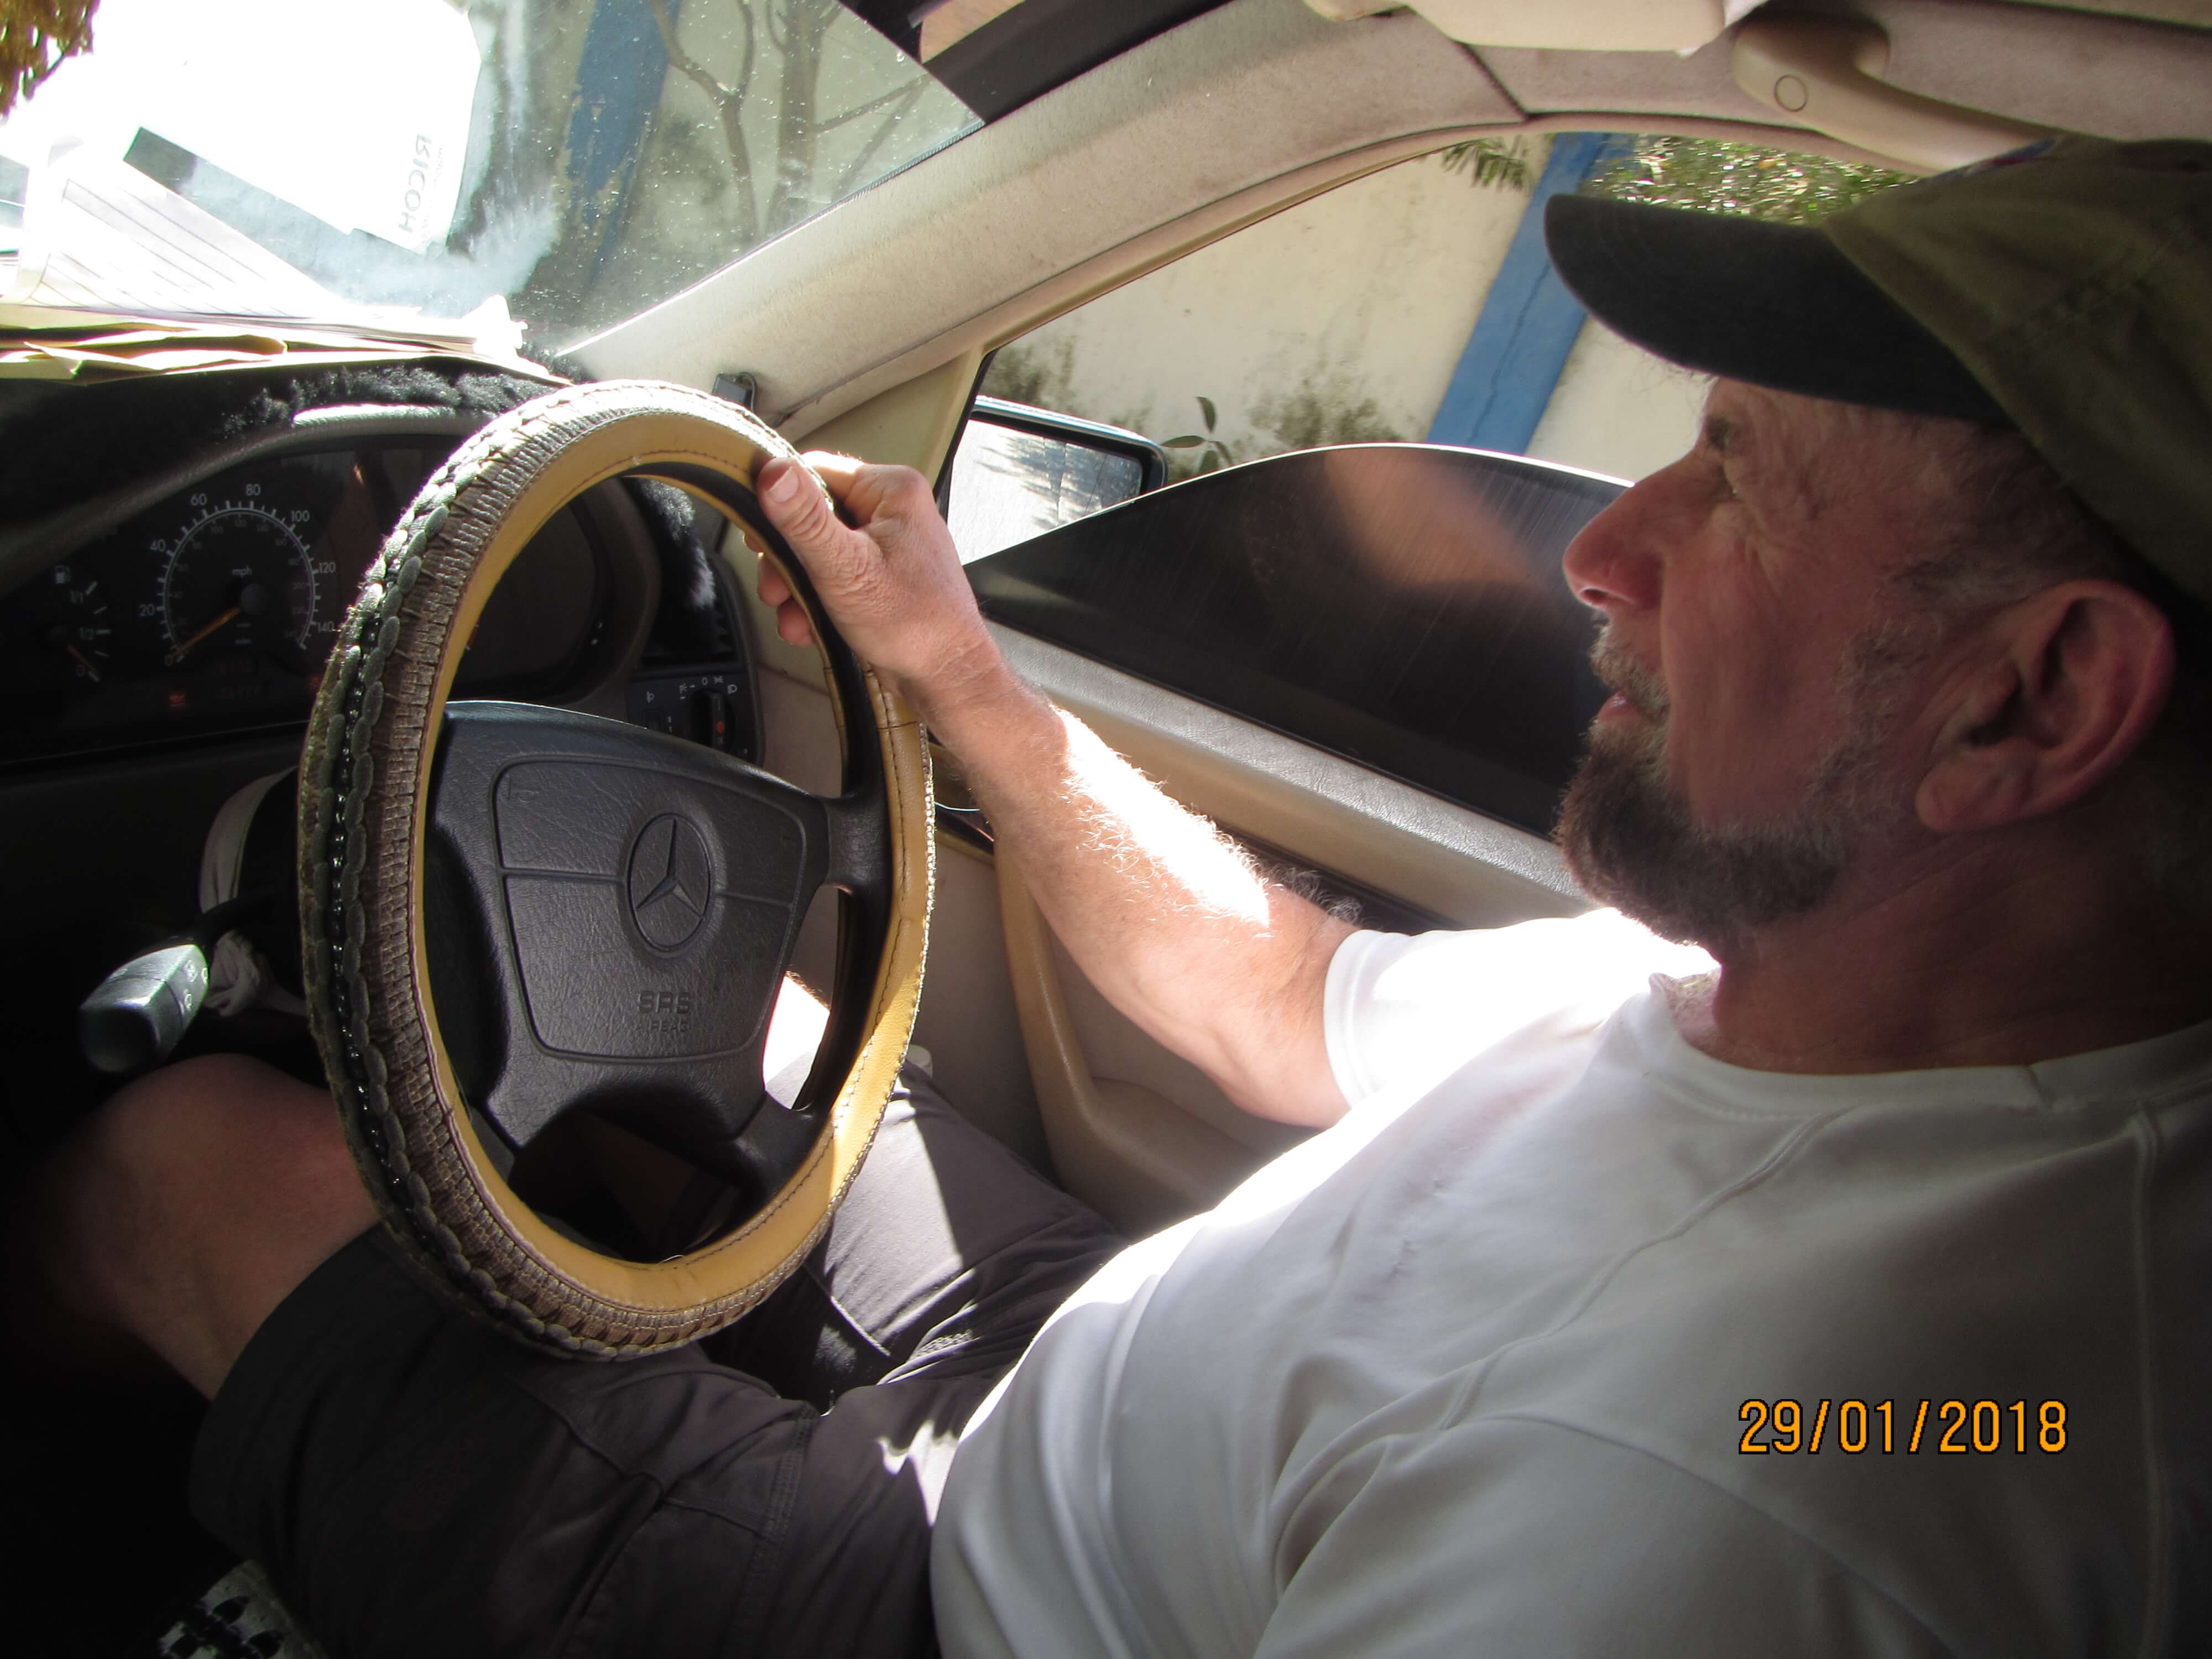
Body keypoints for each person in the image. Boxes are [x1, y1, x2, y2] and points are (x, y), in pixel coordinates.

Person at [16, 134, 2212, 1656]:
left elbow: (1720, 1468)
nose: (1604, 550)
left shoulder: (1746, 1515)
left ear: (2029, 701)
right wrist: (960, 678)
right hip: (1079, 1400)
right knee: (730, 995)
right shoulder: (1787, 988)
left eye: (1740, 480)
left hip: (927, 1617)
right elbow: (1285, 995)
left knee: (176, 1166)